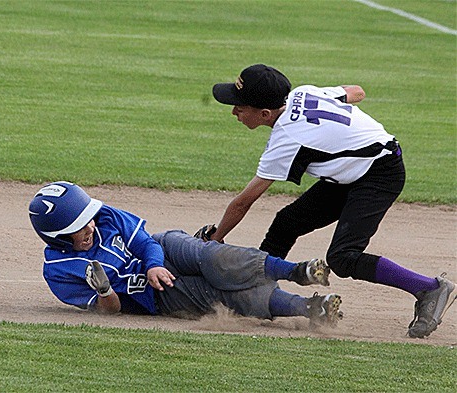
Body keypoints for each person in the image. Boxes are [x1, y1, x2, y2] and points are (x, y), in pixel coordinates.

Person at [206, 64, 456, 339]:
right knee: (286, 223)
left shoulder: (286, 139)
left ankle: (429, 288)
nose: (234, 112)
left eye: (240, 107)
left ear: (265, 113)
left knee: (342, 257)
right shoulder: (304, 93)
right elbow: (357, 92)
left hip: (379, 174)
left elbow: (244, 202)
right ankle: (257, 291)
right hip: (353, 170)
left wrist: (216, 237)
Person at [28, 181, 342, 328]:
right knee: (220, 293)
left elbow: (147, 243)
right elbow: (110, 311)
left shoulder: (104, 216)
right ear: (56, 237)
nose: (90, 227)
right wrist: (105, 290)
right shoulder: (58, 272)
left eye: (89, 218)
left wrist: (153, 265)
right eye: (79, 226)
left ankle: (295, 271)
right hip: (155, 296)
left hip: (163, 249)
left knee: (215, 259)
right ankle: (311, 307)